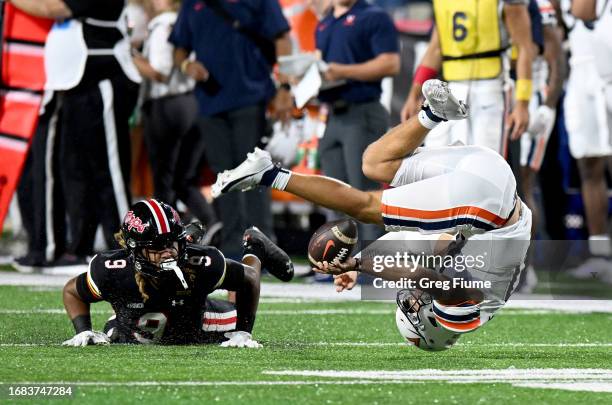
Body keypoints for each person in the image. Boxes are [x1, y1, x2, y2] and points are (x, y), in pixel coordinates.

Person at [213, 79, 532, 351]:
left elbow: (411, 241)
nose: (410, 298)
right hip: (489, 205)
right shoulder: (466, 315)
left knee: (375, 164)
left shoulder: (481, 282)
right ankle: (269, 174)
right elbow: (422, 277)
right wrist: (358, 264)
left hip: (491, 173)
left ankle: (432, 114)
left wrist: (362, 259)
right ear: (432, 324)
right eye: (412, 308)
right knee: (365, 207)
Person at [11, 0, 141, 266]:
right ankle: (77, 247)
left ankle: (131, 250)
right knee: (77, 171)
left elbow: (52, 8)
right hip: (76, 83)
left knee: (110, 172)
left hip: (104, 76)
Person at [61, 199, 294, 347]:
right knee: (126, 334)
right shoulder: (112, 269)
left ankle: (254, 247)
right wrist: (83, 331)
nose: (168, 253)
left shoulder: (200, 260)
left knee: (233, 300)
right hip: (149, 317)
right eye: (157, 247)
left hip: (197, 320)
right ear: (135, 249)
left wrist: (244, 331)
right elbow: (73, 292)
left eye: (172, 243)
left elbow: (249, 280)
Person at [168, 0, 293, 258]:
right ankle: (234, 244)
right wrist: (186, 66)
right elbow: (179, 49)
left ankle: (264, 244)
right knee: (222, 174)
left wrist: (285, 87)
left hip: (251, 96)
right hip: (210, 102)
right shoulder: (193, 4)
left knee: (254, 171)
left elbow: (282, 40)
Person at [400, 0, 535, 157]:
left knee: (486, 161)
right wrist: (414, 94)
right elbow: (436, 49)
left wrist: (523, 104)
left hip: (491, 87)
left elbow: (524, 48)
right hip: (451, 89)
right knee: (438, 159)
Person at [132, 0, 220, 235]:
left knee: (164, 180)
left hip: (167, 105)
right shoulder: (190, 21)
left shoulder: (163, 25)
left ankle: (165, 236)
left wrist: (129, 55)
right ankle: (212, 223)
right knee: (184, 178)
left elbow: (160, 72)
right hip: (192, 103)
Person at [315, 0, 400, 241]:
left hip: (362, 111)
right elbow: (322, 66)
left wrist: (342, 71)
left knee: (364, 194)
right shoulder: (325, 23)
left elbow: (390, 63)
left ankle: (374, 262)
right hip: (332, 114)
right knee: (332, 193)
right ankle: (340, 261)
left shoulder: (373, 16)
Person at [560, 0, 612, 281]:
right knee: (589, 166)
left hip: (608, 65)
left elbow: (583, 9)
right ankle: (600, 253)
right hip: (582, 66)